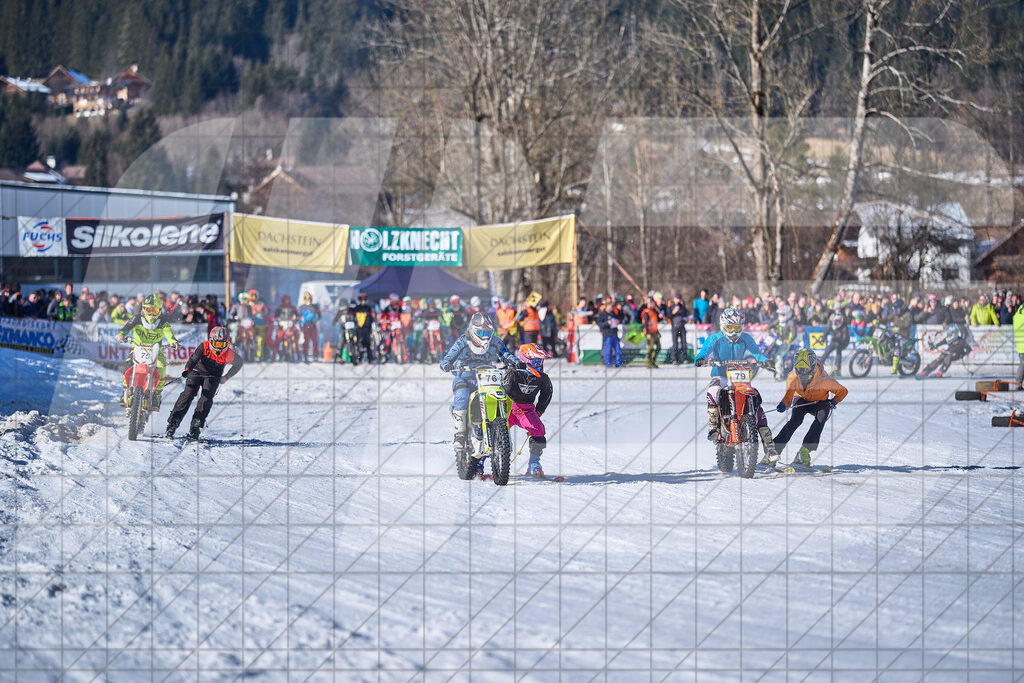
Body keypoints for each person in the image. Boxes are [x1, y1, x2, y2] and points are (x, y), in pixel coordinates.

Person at [693, 307, 779, 465]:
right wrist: (701, 359)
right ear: (723, 325)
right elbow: (703, 353)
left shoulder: (746, 338)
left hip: (740, 376)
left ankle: (769, 445)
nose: (734, 332)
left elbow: (757, 352)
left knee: (755, 400)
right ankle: (714, 427)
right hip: (721, 375)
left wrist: (765, 360)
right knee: (713, 391)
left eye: (737, 328)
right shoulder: (714, 339)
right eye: (731, 327)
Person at [439, 313, 518, 463]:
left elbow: (506, 354)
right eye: (481, 333)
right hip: (465, 378)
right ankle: (461, 433)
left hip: (488, 377)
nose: (485, 336)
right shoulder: (462, 341)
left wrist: (515, 362)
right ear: (473, 330)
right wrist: (446, 365)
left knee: (504, 395)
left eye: (488, 333)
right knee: (461, 395)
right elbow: (448, 358)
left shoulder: (495, 342)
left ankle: (501, 431)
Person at [165, 326, 244, 439]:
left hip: (213, 376)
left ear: (227, 344)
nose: (218, 348)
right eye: (216, 344)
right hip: (197, 372)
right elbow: (193, 359)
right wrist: (187, 370)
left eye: (221, 345)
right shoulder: (204, 346)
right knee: (188, 394)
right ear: (211, 340)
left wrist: (226, 377)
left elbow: (239, 363)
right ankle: (173, 423)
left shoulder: (229, 354)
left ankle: (195, 427)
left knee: (205, 399)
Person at [773, 348, 848, 467]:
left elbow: (843, 391)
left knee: (822, 416)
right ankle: (774, 451)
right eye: (800, 369)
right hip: (801, 399)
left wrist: (833, 402)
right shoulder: (793, 377)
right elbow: (788, 396)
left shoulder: (825, 380)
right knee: (795, 421)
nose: (803, 372)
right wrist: (784, 404)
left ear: (813, 368)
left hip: (819, 401)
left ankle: (804, 451)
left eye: (806, 369)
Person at [116, 295, 179, 410]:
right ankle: (125, 390)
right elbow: (127, 327)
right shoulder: (137, 318)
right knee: (128, 365)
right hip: (138, 348)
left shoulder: (163, 321)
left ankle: (156, 395)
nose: (151, 314)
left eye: (154, 311)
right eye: (148, 310)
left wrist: (173, 342)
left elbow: (169, 333)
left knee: (161, 366)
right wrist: (122, 334)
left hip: (155, 350)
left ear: (159, 311)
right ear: (143, 309)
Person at [503, 343, 554, 477]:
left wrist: (539, 410)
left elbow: (547, 394)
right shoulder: (514, 374)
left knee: (538, 429)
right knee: (494, 430)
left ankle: (534, 464)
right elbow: (503, 392)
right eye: (536, 361)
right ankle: (480, 462)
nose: (539, 365)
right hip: (508, 408)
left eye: (540, 361)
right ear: (526, 361)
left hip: (526, 409)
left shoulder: (543, 378)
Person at [820, 308, 850, 377]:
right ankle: (819, 364)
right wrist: (823, 339)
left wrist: (837, 339)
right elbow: (827, 331)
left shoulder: (844, 328)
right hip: (836, 340)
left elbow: (844, 339)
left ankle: (837, 368)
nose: (836, 323)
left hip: (843, 342)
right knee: (828, 350)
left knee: (838, 349)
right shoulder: (832, 325)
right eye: (835, 321)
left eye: (838, 321)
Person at [349, 293, 376, 363]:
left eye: (364, 299)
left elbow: (372, 318)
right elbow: (351, 312)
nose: (363, 301)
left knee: (368, 344)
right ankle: (360, 359)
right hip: (359, 329)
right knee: (359, 344)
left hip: (367, 329)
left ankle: (370, 359)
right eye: (361, 299)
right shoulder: (357, 308)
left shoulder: (368, 308)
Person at [595, 299, 623, 367]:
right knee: (607, 351)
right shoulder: (602, 314)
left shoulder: (613, 313)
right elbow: (599, 324)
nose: (612, 308)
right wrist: (607, 323)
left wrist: (618, 321)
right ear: (607, 307)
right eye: (610, 306)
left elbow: (621, 318)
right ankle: (608, 364)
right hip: (607, 335)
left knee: (618, 350)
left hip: (614, 334)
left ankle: (618, 363)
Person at [299, 291, 322, 362]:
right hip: (306, 326)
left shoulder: (315, 306)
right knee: (306, 341)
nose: (309, 300)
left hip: (313, 326)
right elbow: (299, 317)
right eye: (308, 299)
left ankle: (315, 355)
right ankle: (305, 356)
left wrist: (316, 319)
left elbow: (319, 316)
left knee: (315, 341)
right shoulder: (302, 307)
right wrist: (301, 324)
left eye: (310, 299)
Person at [640, 296, 662, 368]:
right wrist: (647, 333)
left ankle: (653, 360)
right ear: (649, 304)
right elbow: (645, 324)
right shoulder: (646, 312)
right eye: (652, 303)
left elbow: (655, 323)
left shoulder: (653, 311)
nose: (653, 304)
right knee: (651, 347)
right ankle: (649, 362)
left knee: (659, 347)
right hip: (650, 333)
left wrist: (658, 332)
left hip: (655, 332)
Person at [668, 294, 690, 364]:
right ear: (674, 299)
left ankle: (683, 358)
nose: (678, 300)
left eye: (679, 298)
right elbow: (669, 316)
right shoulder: (671, 307)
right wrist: (673, 312)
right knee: (675, 344)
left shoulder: (682, 307)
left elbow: (687, 314)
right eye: (677, 298)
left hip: (682, 327)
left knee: (684, 343)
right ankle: (674, 359)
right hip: (675, 327)